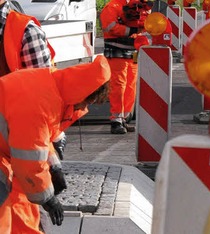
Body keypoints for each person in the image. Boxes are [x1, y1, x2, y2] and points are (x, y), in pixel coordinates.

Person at [0, 55, 111, 233]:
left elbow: (40, 141)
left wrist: (54, 167)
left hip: (6, 155)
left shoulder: (52, 86)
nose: (82, 108)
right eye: (86, 103)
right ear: (81, 94)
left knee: (21, 202)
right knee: (5, 207)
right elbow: (29, 160)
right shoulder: (41, 103)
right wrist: (48, 199)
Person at [101, 0, 152, 134]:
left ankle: (124, 118)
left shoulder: (139, 5)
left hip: (133, 51)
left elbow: (145, 25)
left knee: (131, 85)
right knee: (119, 85)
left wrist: (145, 21)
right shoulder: (112, 7)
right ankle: (116, 120)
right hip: (116, 51)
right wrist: (132, 29)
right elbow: (109, 27)